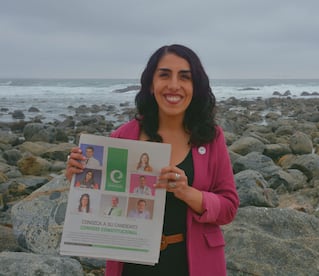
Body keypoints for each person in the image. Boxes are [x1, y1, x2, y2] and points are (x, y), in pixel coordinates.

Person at [66, 44, 239, 276]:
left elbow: (229, 207)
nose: (174, 85)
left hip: (192, 264)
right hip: (132, 265)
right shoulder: (123, 136)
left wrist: (188, 192)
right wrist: (77, 175)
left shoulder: (211, 138)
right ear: (151, 83)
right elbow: (99, 201)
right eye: (164, 75)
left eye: (185, 77)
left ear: (195, 86)